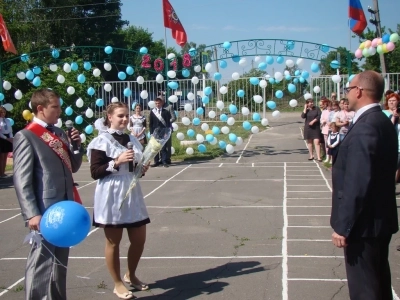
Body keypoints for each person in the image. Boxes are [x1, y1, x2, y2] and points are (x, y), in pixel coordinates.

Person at [330, 71, 398, 300]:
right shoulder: (383, 122)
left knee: (365, 288)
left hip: (364, 225)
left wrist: (344, 225)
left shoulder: (367, 126)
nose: (347, 93)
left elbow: (358, 181)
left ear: (358, 91)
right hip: (379, 220)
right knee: (378, 282)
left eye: (348, 88)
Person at [13, 89, 84, 300]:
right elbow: (21, 180)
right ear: (40, 109)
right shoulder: (26, 136)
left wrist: (77, 146)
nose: (59, 111)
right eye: (55, 107)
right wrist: (31, 213)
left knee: (60, 260)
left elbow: (73, 166)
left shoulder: (60, 133)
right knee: (41, 261)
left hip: (65, 206)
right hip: (44, 209)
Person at [87, 102, 150, 300]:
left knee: (139, 239)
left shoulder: (132, 138)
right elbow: (95, 172)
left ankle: (131, 274)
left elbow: (135, 167)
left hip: (132, 191)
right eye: (120, 116)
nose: (124, 119)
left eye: (126, 116)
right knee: (114, 241)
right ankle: (117, 283)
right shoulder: (101, 141)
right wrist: (116, 161)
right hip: (111, 193)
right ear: (110, 117)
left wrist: (141, 169)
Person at [383, 92, 400, 183]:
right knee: (390, 166)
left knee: (397, 167)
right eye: (390, 101)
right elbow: (388, 127)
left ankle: (393, 184)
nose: (391, 102)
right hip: (388, 143)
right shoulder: (383, 113)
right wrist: (393, 116)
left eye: (394, 100)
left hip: (399, 144)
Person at [149, 97, 171, 168]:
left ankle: (164, 161)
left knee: (163, 147)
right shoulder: (152, 112)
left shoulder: (166, 112)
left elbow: (168, 123)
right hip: (155, 132)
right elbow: (151, 123)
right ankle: (156, 161)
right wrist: (151, 133)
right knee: (155, 147)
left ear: (161, 103)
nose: (157, 104)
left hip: (163, 131)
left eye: (159, 103)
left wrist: (166, 132)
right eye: (156, 103)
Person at [162, 96, 176, 165]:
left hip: (167, 128)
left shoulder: (169, 107)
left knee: (168, 145)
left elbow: (173, 117)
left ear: (164, 101)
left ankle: (168, 159)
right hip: (160, 129)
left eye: (161, 101)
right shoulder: (157, 108)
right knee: (161, 144)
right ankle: (162, 159)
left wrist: (167, 122)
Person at [0, 106, 13, 177]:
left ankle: (3, 172)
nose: (3, 113)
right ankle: (0, 173)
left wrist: (11, 137)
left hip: (7, 138)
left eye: (4, 112)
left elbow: (10, 130)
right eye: (1, 112)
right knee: (1, 157)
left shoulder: (7, 120)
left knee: (5, 156)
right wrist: (5, 138)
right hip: (2, 138)